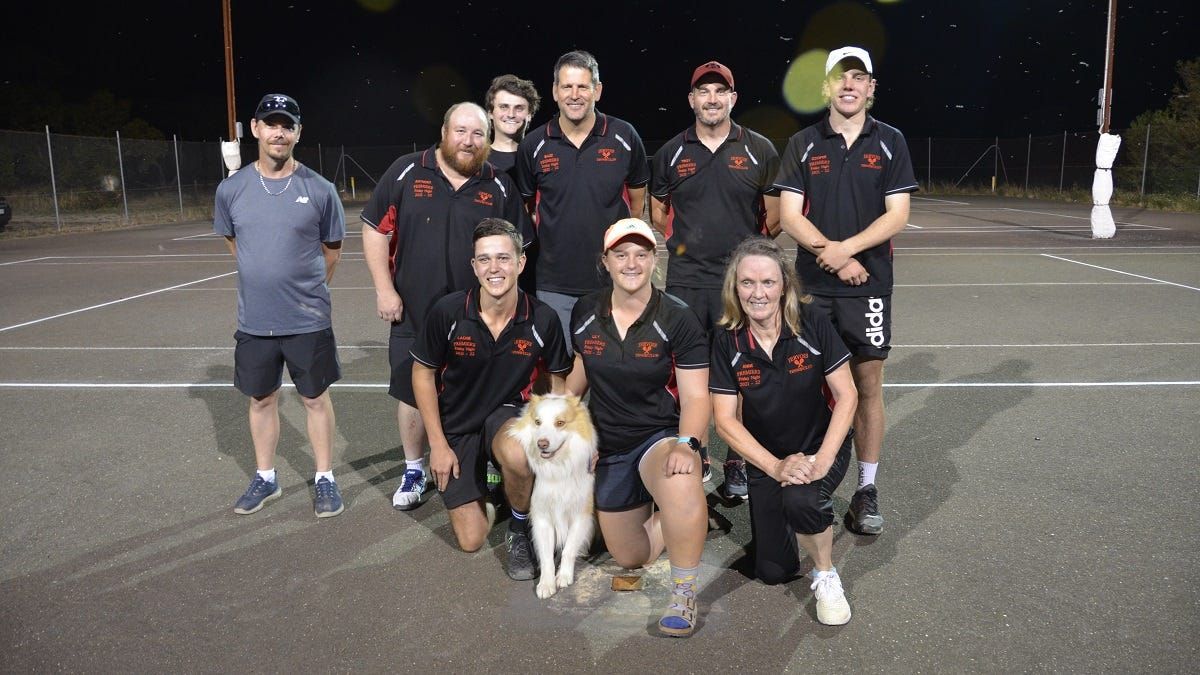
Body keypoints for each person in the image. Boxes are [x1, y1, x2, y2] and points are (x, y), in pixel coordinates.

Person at [775, 46, 918, 535]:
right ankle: (807, 479)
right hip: (812, 288)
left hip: (869, 287)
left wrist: (846, 252)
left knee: (867, 387)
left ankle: (866, 488)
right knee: (804, 385)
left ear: (872, 88)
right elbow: (790, 216)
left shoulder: (892, 142)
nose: (850, 85)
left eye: (860, 77)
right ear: (827, 87)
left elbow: (897, 214)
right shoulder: (802, 143)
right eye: (841, 77)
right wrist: (831, 255)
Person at [362, 103, 533, 512]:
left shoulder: (500, 185)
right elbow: (374, 229)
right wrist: (385, 290)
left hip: (478, 315)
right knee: (410, 389)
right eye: (460, 131)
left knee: (480, 386)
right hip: (415, 311)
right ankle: (414, 467)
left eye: (477, 134)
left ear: (487, 138)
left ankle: (487, 463)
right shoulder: (407, 171)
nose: (468, 141)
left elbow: (517, 248)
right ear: (444, 130)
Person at [565, 218, 710, 638]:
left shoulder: (677, 318)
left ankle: (684, 591)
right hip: (610, 445)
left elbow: (697, 397)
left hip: (658, 437)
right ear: (605, 261)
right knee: (631, 556)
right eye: (621, 254)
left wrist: (689, 443)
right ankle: (682, 515)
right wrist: (567, 428)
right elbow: (580, 375)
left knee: (679, 476)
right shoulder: (584, 311)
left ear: (653, 261)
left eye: (641, 254)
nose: (631, 263)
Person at [411, 218, 571, 579]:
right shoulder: (448, 312)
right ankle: (495, 486)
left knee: (519, 453)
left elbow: (557, 384)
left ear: (520, 263)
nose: (494, 268)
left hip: (508, 414)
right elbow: (421, 374)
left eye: (503, 258)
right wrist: (436, 444)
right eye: (484, 260)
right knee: (471, 539)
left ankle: (519, 526)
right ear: (473, 266)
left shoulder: (542, 319)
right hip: (458, 425)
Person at [649, 60, 781, 499]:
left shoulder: (759, 149)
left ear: (733, 98)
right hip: (687, 282)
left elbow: (774, 218)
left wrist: (747, 261)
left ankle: (738, 460)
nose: (711, 99)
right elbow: (657, 212)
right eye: (703, 91)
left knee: (741, 373)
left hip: (740, 287)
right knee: (692, 373)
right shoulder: (671, 153)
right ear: (691, 100)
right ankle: (699, 450)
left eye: (719, 91)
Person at [709, 237, 858, 625]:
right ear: (734, 287)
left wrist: (822, 462)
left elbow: (848, 397)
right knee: (773, 571)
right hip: (767, 459)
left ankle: (826, 574)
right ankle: (803, 521)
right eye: (747, 283)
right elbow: (725, 420)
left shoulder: (812, 324)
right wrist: (775, 467)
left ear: (785, 285)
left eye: (768, 282)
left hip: (820, 445)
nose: (758, 293)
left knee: (802, 499)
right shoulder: (727, 340)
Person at [214, 93, 347, 518]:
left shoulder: (320, 189)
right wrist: (265, 282)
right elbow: (236, 243)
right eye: (270, 123)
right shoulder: (231, 189)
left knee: (314, 399)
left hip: (307, 319)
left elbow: (332, 249)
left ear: (297, 133)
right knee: (261, 399)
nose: (278, 131)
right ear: (255, 129)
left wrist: (303, 290)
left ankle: (325, 477)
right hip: (255, 320)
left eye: (286, 125)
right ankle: (266, 477)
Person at [517, 50, 650, 342]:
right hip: (554, 284)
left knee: (610, 370)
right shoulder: (534, 144)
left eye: (583, 86)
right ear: (555, 91)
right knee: (560, 373)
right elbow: (528, 210)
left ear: (597, 90)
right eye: (567, 86)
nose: (574, 95)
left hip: (612, 282)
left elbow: (637, 206)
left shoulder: (624, 136)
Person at [485, 74, 540, 182]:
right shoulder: (476, 159)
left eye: (519, 108)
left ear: (529, 115)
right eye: (504, 107)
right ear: (490, 113)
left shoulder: (540, 158)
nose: (511, 114)